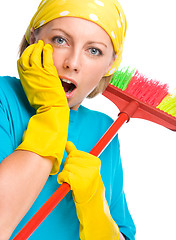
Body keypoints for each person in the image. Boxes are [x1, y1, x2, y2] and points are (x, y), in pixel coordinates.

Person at [0, 0, 136, 239]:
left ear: (110, 65)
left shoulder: (104, 130)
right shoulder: (4, 98)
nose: (72, 63)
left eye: (94, 50)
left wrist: (96, 210)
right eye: (60, 40)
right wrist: (52, 115)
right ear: (34, 39)